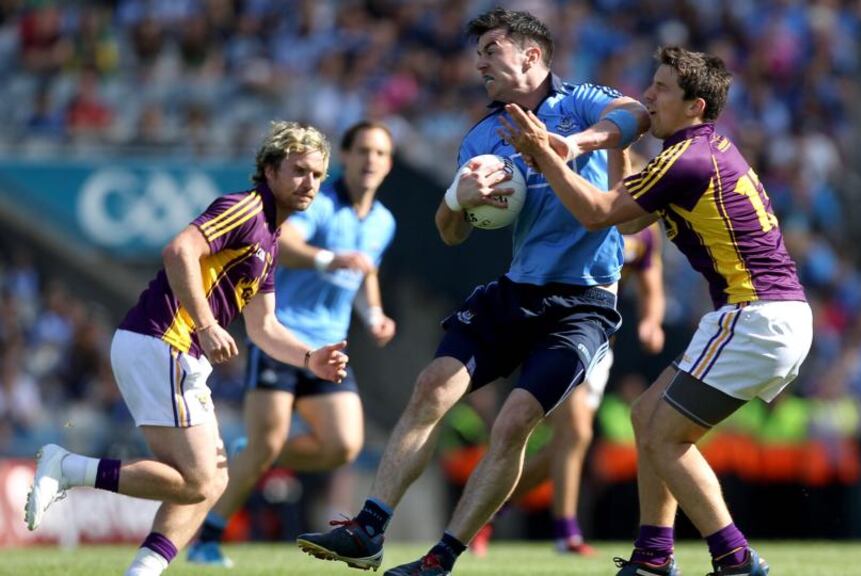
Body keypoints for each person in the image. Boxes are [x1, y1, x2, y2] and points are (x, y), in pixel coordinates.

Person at [295, 7, 649, 575]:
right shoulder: (484, 135)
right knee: (432, 387)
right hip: (517, 289)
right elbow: (448, 231)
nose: (478, 62)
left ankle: (441, 557)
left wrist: (570, 145)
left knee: (513, 424)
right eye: (477, 52)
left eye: (491, 50)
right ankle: (369, 529)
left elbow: (636, 114)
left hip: (583, 302)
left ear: (530, 56)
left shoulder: (578, 100)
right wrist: (458, 198)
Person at [501, 47, 812, 576]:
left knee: (666, 436)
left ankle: (735, 559)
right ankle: (652, 557)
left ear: (695, 105)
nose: (647, 96)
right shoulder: (701, 150)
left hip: (754, 317)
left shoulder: (684, 159)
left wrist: (544, 153)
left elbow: (597, 214)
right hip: (764, 316)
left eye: (662, 89)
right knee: (646, 415)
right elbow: (625, 220)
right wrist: (620, 144)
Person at [24, 121, 349, 576]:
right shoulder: (245, 208)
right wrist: (207, 323)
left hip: (167, 349)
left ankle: (142, 571)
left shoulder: (271, 241)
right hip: (163, 340)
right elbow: (179, 249)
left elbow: (265, 327)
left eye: (317, 175)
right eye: (298, 170)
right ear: (270, 170)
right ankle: (69, 467)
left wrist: (310, 357)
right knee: (199, 479)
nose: (309, 183)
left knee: (212, 481)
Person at [188, 121, 398, 567]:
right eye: (362, 150)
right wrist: (329, 258)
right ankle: (208, 535)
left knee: (343, 445)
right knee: (267, 445)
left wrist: (374, 314)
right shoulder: (320, 202)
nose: (370, 160)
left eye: (379, 153)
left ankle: (252, 454)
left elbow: (365, 271)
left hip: (329, 346)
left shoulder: (384, 221)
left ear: (389, 164)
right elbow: (287, 243)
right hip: (283, 336)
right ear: (345, 157)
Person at [472, 220, 666, 556]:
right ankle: (566, 533)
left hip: (602, 346)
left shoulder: (645, 229)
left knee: (563, 449)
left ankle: (485, 508)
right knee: (576, 434)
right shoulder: (587, 213)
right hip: (562, 334)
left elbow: (652, 282)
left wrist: (651, 321)